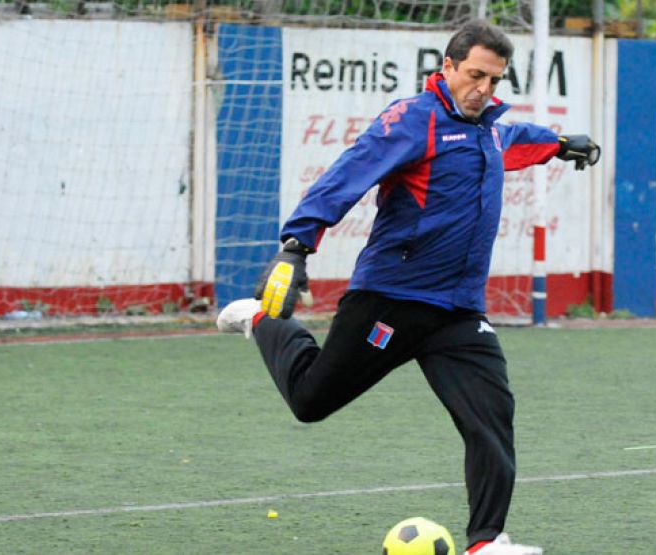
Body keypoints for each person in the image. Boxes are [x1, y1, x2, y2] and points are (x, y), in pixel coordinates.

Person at [217, 19, 600, 555]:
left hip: (459, 312)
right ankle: (263, 321)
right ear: (447, 67)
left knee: (490, 417)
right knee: (310, 401)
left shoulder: (488, 126)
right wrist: (297, 246)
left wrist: (559, 144)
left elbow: (516, 141)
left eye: (494, 80)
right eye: (474, 76)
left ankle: (486, 542)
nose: (484, 89)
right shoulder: (412, 119)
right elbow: (349, 173)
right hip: (392, 299)